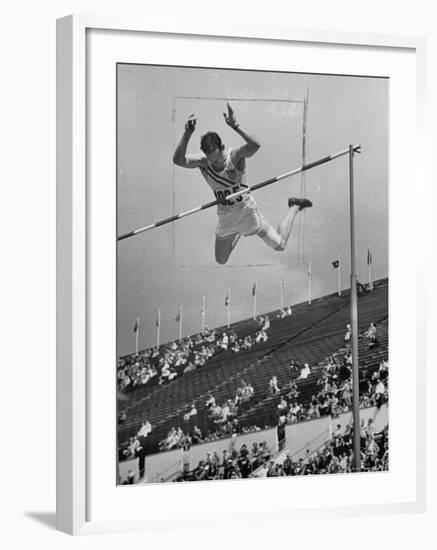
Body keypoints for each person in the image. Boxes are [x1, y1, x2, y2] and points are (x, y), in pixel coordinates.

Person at [173, 103, 312, 264]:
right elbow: (178, 160)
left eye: (218, 158)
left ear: (222, 147)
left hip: (246, 211)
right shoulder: (204, 162)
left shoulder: (235, 156)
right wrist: (187, 133)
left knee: (280, 245)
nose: (216, 163)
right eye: (212, 160)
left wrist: (236, 126)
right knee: (221, 260)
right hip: (225, 215)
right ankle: (238, 232)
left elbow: (255, 145)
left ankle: (294, 207)